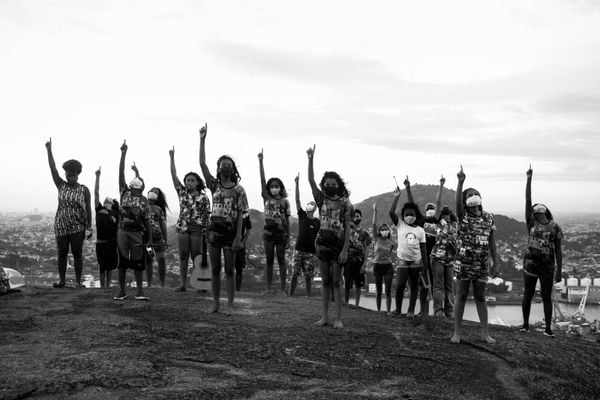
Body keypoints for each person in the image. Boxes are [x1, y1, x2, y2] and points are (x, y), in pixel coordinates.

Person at [199, 124, 248, 314]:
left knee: (229, 270)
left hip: (230, 232)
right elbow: (202, 165)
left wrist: (238, 238)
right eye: (222, 164)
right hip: (214, 231)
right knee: (215, 269)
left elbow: (242, 215)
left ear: (233, 168)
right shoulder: (214, 185)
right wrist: (202, 139)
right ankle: (216, 304)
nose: (225, 166)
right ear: (218, 168)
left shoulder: (239, 189)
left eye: (228, 164)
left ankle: (230, 305)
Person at [451, 165, 497, 344]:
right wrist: (460, 182)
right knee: (461, 295)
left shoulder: (488, 217)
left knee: (480, 296)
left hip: (482, 263)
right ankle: (457, 333)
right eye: (469, 195)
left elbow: (492, 242)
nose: (473, 197)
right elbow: (457, 204)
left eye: (475, 194)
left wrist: (496, 262)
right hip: (463, 262)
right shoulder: (462, 216)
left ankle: (485, 333)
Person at [307, 144, 352, 329]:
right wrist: (310, 160)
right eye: (328, 184)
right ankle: (324, 316)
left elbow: (348, 227)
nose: (330, 186)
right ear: (324, 185)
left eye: (334, 184)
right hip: (322, 243)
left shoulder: (345, 203)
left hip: (338, 244)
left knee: (336, 281)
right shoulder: (321, 199)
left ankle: (339, 318)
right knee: (325, 281)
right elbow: (310, 180)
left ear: (339, 186)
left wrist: (345, 250)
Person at [521, 165, 563, 338]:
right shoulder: (549, 225)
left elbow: (527, 200)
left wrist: (529, 178)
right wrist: (529, 179)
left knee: (534, 295)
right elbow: (559, 251)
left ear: (536, 213)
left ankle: (534, 326)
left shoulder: (549, 226)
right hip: (540, 265)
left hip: (539, 265)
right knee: (540, 295)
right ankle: (541, 327)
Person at [45, 138, 92, 288]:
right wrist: (49, 150)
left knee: (77, 253)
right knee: (62, 252)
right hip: (61, 224)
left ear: (78, 174)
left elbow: (88, 208)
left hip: (78, 226)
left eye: (73, 174)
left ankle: (78, 282)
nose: (70, 177)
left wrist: (89, 227)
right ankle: (62, 281)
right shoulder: (60, 185)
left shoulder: (84, 189)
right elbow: (53, 169)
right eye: (68, 174)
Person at [114, 140, 152, 301]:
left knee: (138, 263)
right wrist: (123, 154)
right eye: (134, 185)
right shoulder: (124, 192)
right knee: (122, 262)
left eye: (139, 186)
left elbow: (148, 220)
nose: (136, 187)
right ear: (130, 186)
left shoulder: (144, 201)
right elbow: (121, 173)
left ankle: (140, 291)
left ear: (142, 187)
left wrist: (149, 239)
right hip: (123, 231)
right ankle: (122, 290)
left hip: (137, 233)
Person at [169, 147, 211, 292]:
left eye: (193, 180)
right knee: (183, 255)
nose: (190, 182)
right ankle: (182, 284)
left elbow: (207, 216)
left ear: (198, 182)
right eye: (188, 180)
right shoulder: (182, 193)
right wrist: (172, 158)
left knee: (196, 256)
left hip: (197, 227)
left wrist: (207, 231)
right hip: (183, 226)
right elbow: (173, 175)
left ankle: (200, 283)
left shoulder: (204, 197)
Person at [389, 186, 428, 316]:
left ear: (416, 215)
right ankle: (398, 309)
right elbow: (391, 213)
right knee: (400, 285)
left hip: (417, 262)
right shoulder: (400, 224)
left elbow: (423, 248)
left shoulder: (420, 230)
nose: (409, 216)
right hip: (402, 260)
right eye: (407, 214)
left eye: (412, 214)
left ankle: (411, 310)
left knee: (413, 287)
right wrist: (396, 197)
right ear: (403, 215)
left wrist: (425, 267)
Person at [404, 176, 439, 316]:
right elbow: (412, 205)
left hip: (435, 259)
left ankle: (435, 311)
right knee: (422, 284)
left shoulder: (440, 221)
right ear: (425, 211)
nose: (431, 210)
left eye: (433, 208)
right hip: (422, 258)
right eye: (428, 208)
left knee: (432, 285)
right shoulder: (422, 221)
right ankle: (422, 311)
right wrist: (408, 188)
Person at [258, 149, 291, 295]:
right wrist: (261, 161)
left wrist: (289, 237)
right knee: (269, 260)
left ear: (281, 188)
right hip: (268, 231)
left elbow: (288, 221)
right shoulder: (266, 198)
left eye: (276, 186)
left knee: (282, 260)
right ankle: (269, 288)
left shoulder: (285, 202)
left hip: (281, 233)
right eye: (272, 186)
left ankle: (283, 289)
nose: (274, 188)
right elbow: (262, 180)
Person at [290, 173, 320, 297]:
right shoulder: (302, 215)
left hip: (310, 252)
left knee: (308, 276)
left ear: (315, 208)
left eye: (313, 204)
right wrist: (297, 184)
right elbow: (297, 200)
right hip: (298, 250)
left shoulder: (317, 222)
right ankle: (290, 295)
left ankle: (308, 296)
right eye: (309, 203)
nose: (310, 205)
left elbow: (317, 237)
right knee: (294, 274)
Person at [94, 167, 119, 288]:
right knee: (103, 266)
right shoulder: (99, 209)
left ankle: (107, 287)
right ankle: (102, 287)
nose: (107, 199)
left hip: (111, 243)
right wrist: (97, 177)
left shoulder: (116, 213)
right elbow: (96, 193)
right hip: (101, 242)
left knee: (110, 267)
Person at [344, 209, 371, 307]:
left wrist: (364, 264)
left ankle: (357, 305)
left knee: (359, 284)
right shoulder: (348, 229)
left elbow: (367, 248)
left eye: (358, 216)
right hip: (348, 260)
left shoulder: (365, 233)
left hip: (359, 261)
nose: (356, 218)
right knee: (347, 283)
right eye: (354, 216)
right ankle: (346, 303)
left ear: (361, 217)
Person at [371, 203, 396, 313]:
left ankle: (388, 311)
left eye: (386, 229)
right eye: (383, 229)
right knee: (379, 290)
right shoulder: (376, 238)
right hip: (377, 265)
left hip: (388, 266)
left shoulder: (391, 242)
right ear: (380, 231)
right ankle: (378, 310)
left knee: (388, 290)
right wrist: (375, 211)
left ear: (389, 231)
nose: (384, 230)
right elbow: (373, 224)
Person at [145, 187, 168, 288]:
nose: (154, 193)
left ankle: (162, 283)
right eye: (152, 192)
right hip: (147, 239)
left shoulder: (159, 209)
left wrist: (165, 240)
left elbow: (163, 224)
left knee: (161, 259)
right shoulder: (143, 206)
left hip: (158, 238)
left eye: (156, 193)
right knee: (149, 259)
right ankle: (149, 284)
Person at [235, 210, 252, 291]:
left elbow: (248, 229)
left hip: (240, 244)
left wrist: (243, 242)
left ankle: (237, 289)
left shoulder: (246, 213)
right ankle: (231, 288)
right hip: (228, 241)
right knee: (229, 267)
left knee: (239, 267)